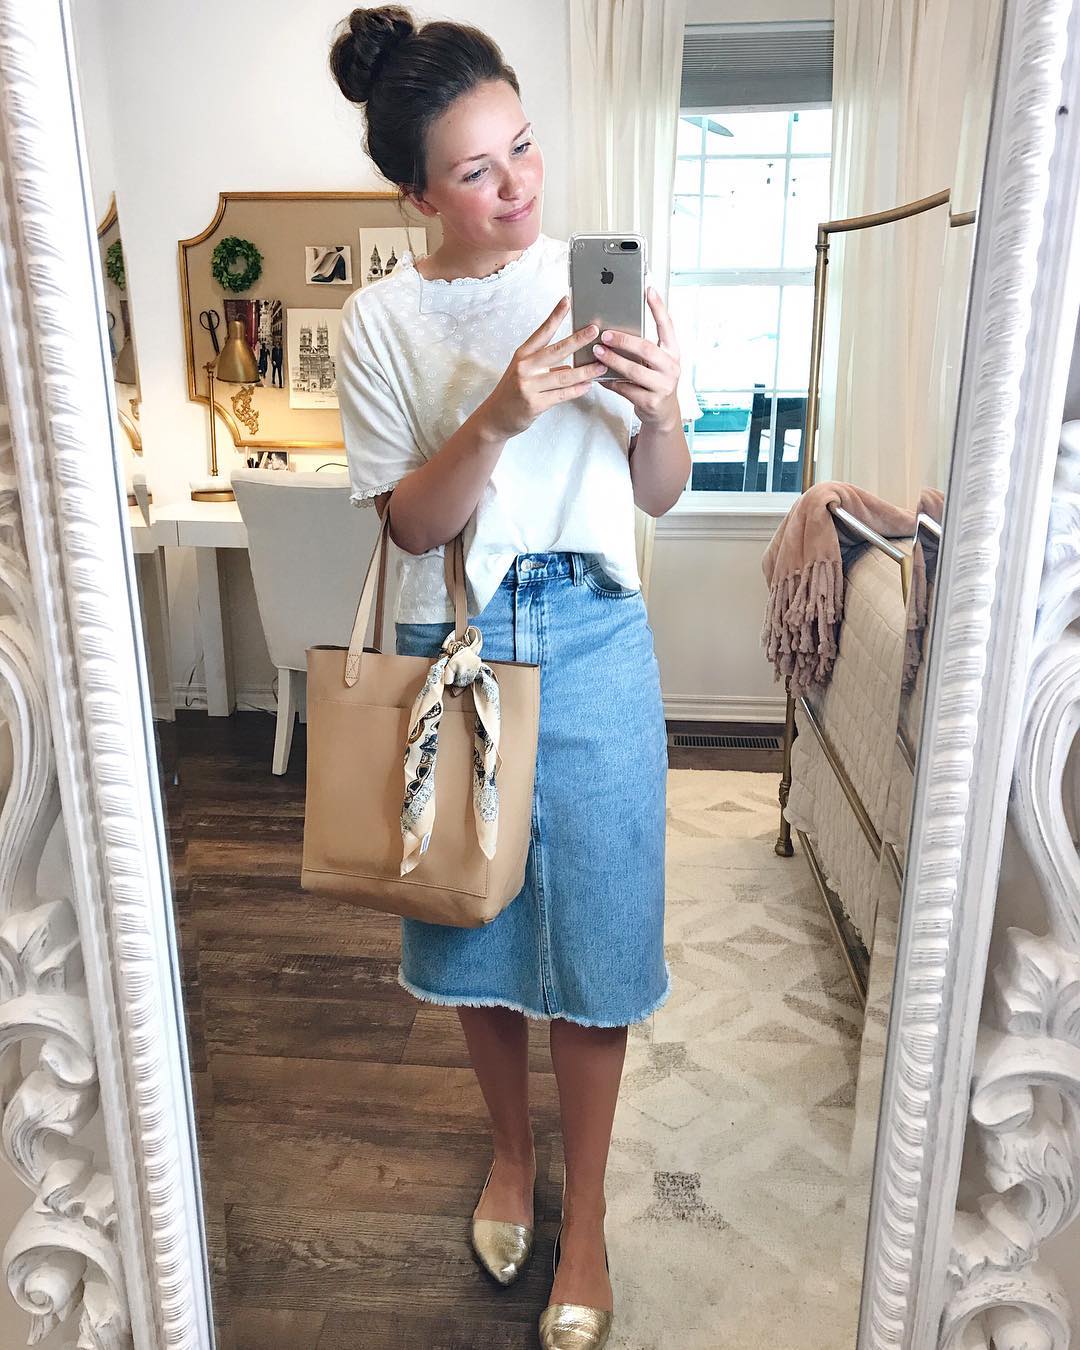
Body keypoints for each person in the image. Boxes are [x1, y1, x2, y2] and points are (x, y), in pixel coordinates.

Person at [329, 9, 697, 1346]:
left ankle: (583, 1214)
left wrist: (661, 408)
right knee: (477, 929)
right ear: (417, 194)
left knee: (598, 944)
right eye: (476, 171)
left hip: (596, 634)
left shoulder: (598, 282)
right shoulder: (379, 323)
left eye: (524, 147)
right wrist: (498, 413)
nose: (516, 186)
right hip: (459, 639)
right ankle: (509, 1155)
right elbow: (412, 526)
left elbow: (657, 492)